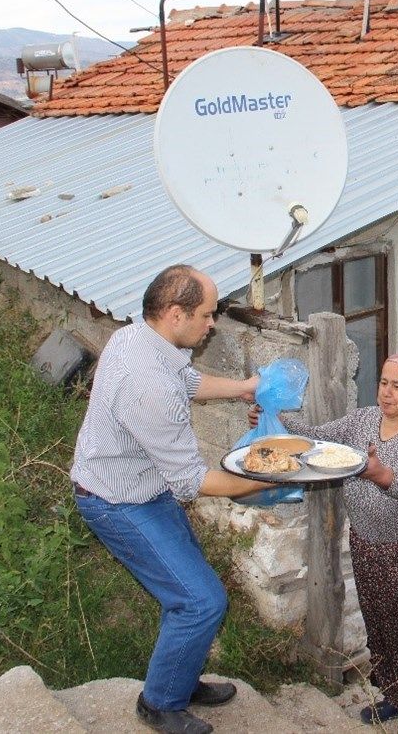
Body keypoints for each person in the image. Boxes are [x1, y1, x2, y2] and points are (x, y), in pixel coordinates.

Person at [71, 264, 269, 734]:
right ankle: (159, 704)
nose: (213, 323)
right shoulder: (149, 386)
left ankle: (178, 677)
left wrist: (245, 388)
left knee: (185, 589)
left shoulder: (140, 338)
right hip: (117, 501)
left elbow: (188, 383)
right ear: (176, 314)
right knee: (201, 600)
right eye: (207, 314)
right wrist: (264, 481)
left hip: (142, 484)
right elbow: (190, 481)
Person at [253, 352, 398, 727]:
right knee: (382, 625)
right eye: (383, 383)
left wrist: (380, 473)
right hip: (369, 546)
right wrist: (275, 421)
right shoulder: (364, 420)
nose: (387, 393)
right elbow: (318, 438)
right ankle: (395, 693)